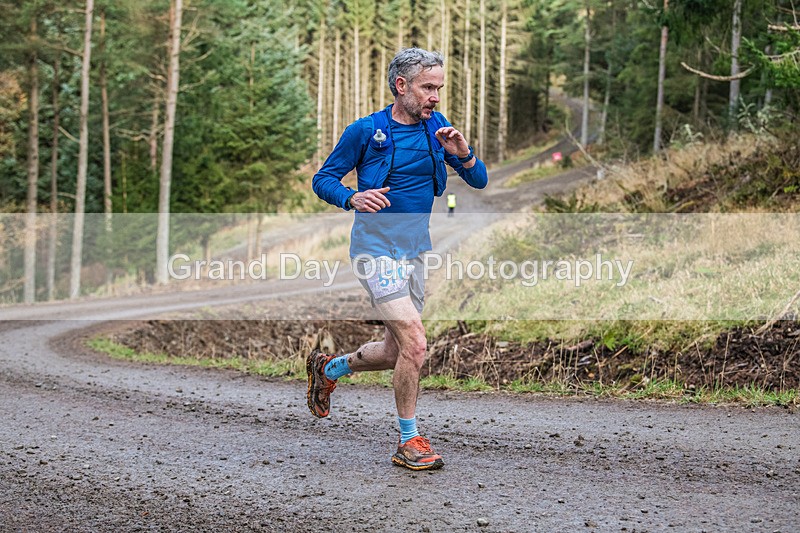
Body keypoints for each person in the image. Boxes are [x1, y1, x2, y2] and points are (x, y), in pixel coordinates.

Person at [307, 47, 488, 471]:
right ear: (401, 85)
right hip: (375, 251)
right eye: (428, 88)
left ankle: (328, 369)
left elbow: (478, 180)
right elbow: (323, 179)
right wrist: (351, 197)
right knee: (416, 342)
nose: (435, 97)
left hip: (416, 252)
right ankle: (409, 441)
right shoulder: (365, 131)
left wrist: (463, 152)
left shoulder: (437, 127)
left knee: (396, 351)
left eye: (439, 88)